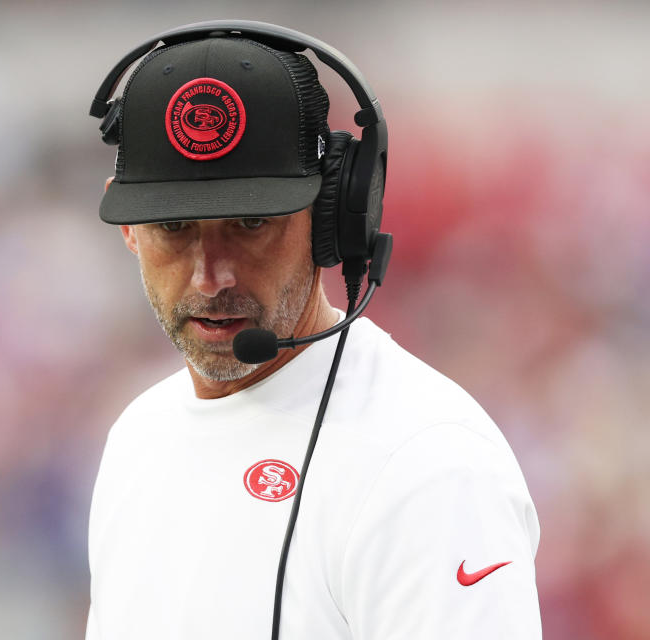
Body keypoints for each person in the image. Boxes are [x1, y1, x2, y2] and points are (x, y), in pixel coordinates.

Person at [85, 23, 541, 639]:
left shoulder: (428, 463)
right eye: (174, 227)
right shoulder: (137, 437)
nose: (211, 275)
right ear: (128, 230)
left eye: (249, 223)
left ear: (332, 219)